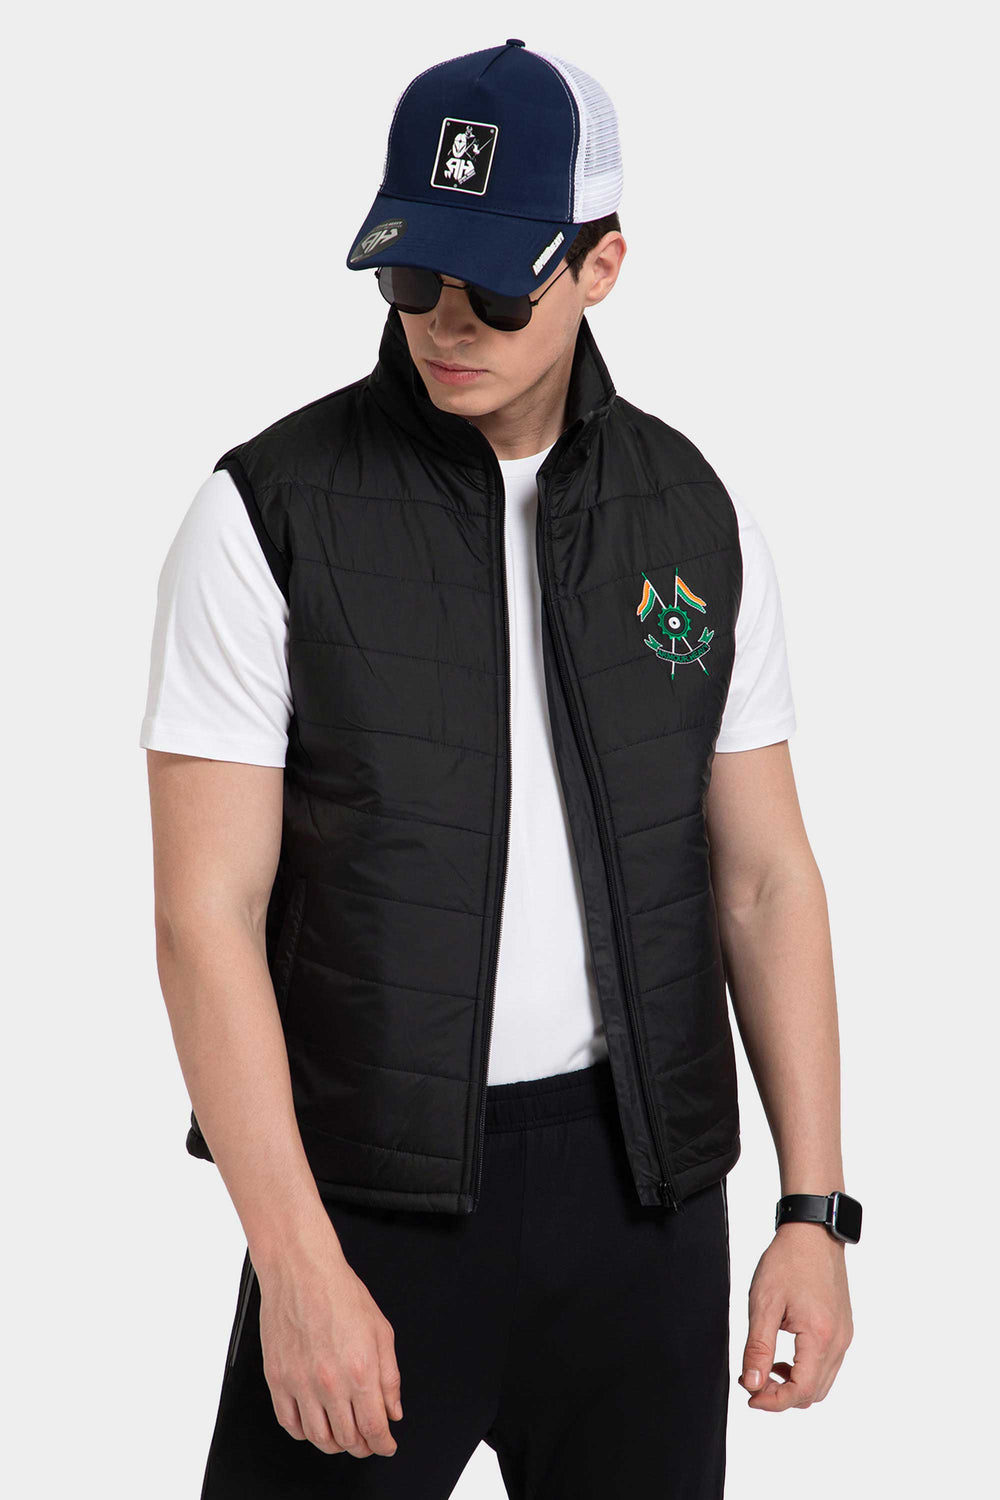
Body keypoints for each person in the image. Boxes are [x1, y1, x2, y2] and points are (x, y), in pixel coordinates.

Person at [141, 39, 860, 1500]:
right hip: (366, 1209)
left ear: (600, 267)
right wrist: (295, 1264)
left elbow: (764, 878)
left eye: (498, 289)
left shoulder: (691, 514)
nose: (446, 323)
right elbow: (203, 915)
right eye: (414, 278)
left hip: (643, 1209)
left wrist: (815, 1209)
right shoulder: (266, 514)